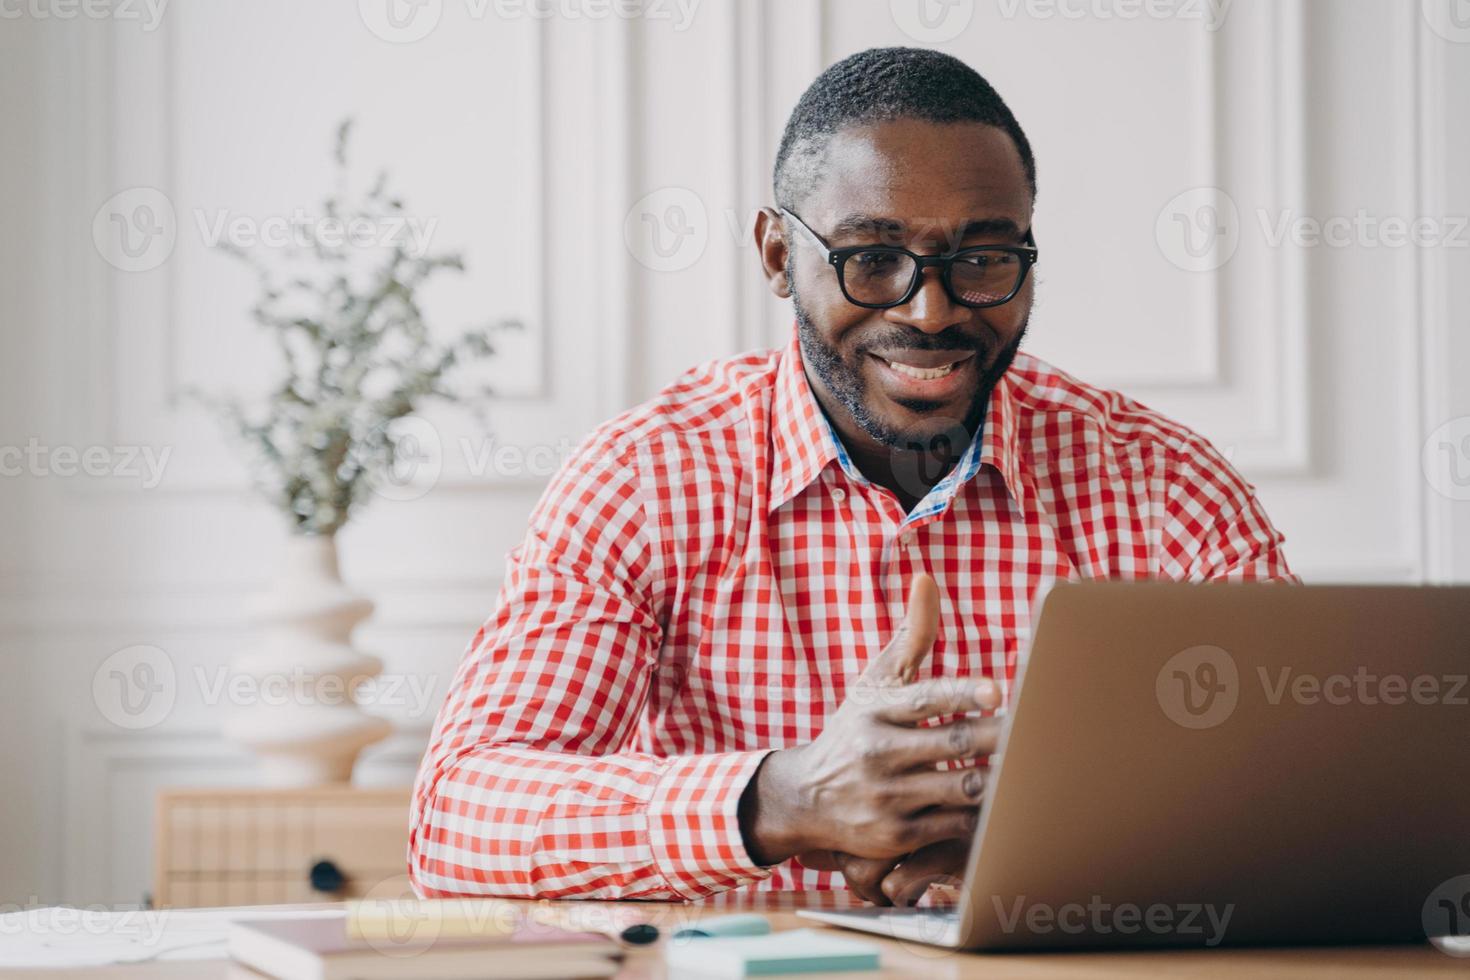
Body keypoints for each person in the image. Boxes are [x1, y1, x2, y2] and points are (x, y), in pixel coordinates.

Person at [408, 46, 1296, 909]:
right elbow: (456, 819)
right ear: (774, 255)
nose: (931, 311)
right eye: (872, 258)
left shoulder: (1168, 486)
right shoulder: (644, 478)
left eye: (984, 259)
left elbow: (1308, 786)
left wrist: (1028, 848)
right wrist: (785, 800)